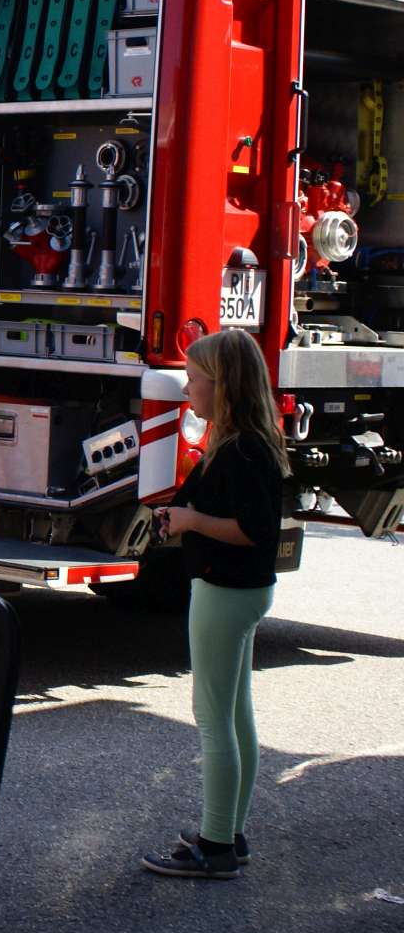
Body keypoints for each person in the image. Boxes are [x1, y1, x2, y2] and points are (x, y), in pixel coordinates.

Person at [142, 329, 289, 880]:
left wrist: (191, 521)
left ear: (222, 385)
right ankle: (230, 831)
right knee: (235, 714)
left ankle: (216, 845)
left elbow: (252, 530)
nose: (187, 389)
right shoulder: (249, 441)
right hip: (243, 590)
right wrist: (183, 517)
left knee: (212, 718)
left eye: (194, 379)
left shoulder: (239, 450)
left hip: (224, 590)